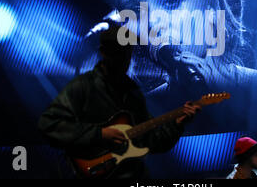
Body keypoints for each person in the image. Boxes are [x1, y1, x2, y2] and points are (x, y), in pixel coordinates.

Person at [95, 0, 257, 133]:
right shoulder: (139, 114)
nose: (152, 21)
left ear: (211, 8)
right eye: (135, 12)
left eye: (170, 2)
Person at [38, 24, 200, 178]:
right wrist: (100, 134)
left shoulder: (132, 94)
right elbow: (49, 125)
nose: (125, 60)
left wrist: (177, 124)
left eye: (127, 53)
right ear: (104, 53)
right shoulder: (83, 87)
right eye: (118, 54)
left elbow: (152, 141)